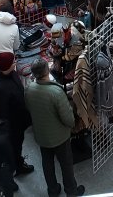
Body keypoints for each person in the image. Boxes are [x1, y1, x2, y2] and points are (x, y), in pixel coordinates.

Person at [24, 59, 85, 196]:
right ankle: (71, 191)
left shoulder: (29, 89)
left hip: (41, 134)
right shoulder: (55, 92)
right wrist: (73, 126)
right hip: (59, 137)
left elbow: (29, 108)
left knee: (47, 163)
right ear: (47, 70)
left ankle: (52, 189)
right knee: (66, 165)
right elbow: (68, 118)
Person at [0, 51, 36, 177]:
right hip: (12, 127)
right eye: (13, 62)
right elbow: (1, 114)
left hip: (19, 122)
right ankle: (14, 169)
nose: (15, 63)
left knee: (18, 145)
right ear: (7, 65)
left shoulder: (11, 74)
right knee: (13, 148)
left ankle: (18, 163)